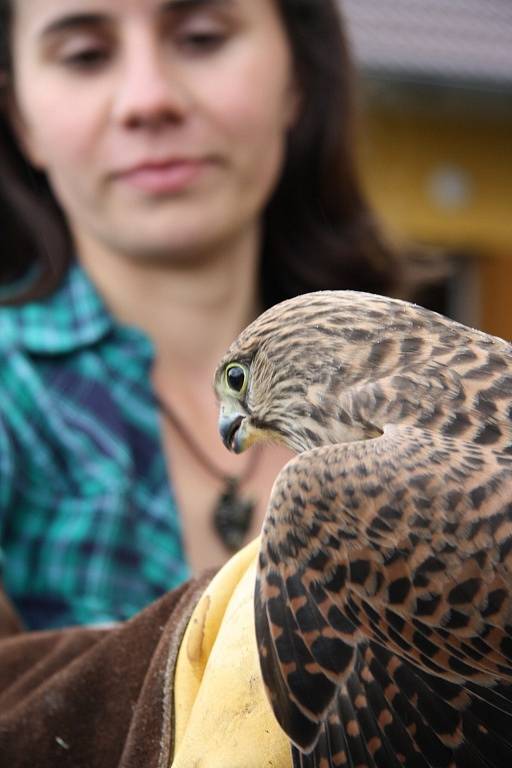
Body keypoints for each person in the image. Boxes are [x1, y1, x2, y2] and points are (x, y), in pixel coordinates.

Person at [0, 0, 399, 633]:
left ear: (296, 77)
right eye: (85, 55)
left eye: (201, 38)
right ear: (20, 116)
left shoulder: (426, 388)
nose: (148, 99)